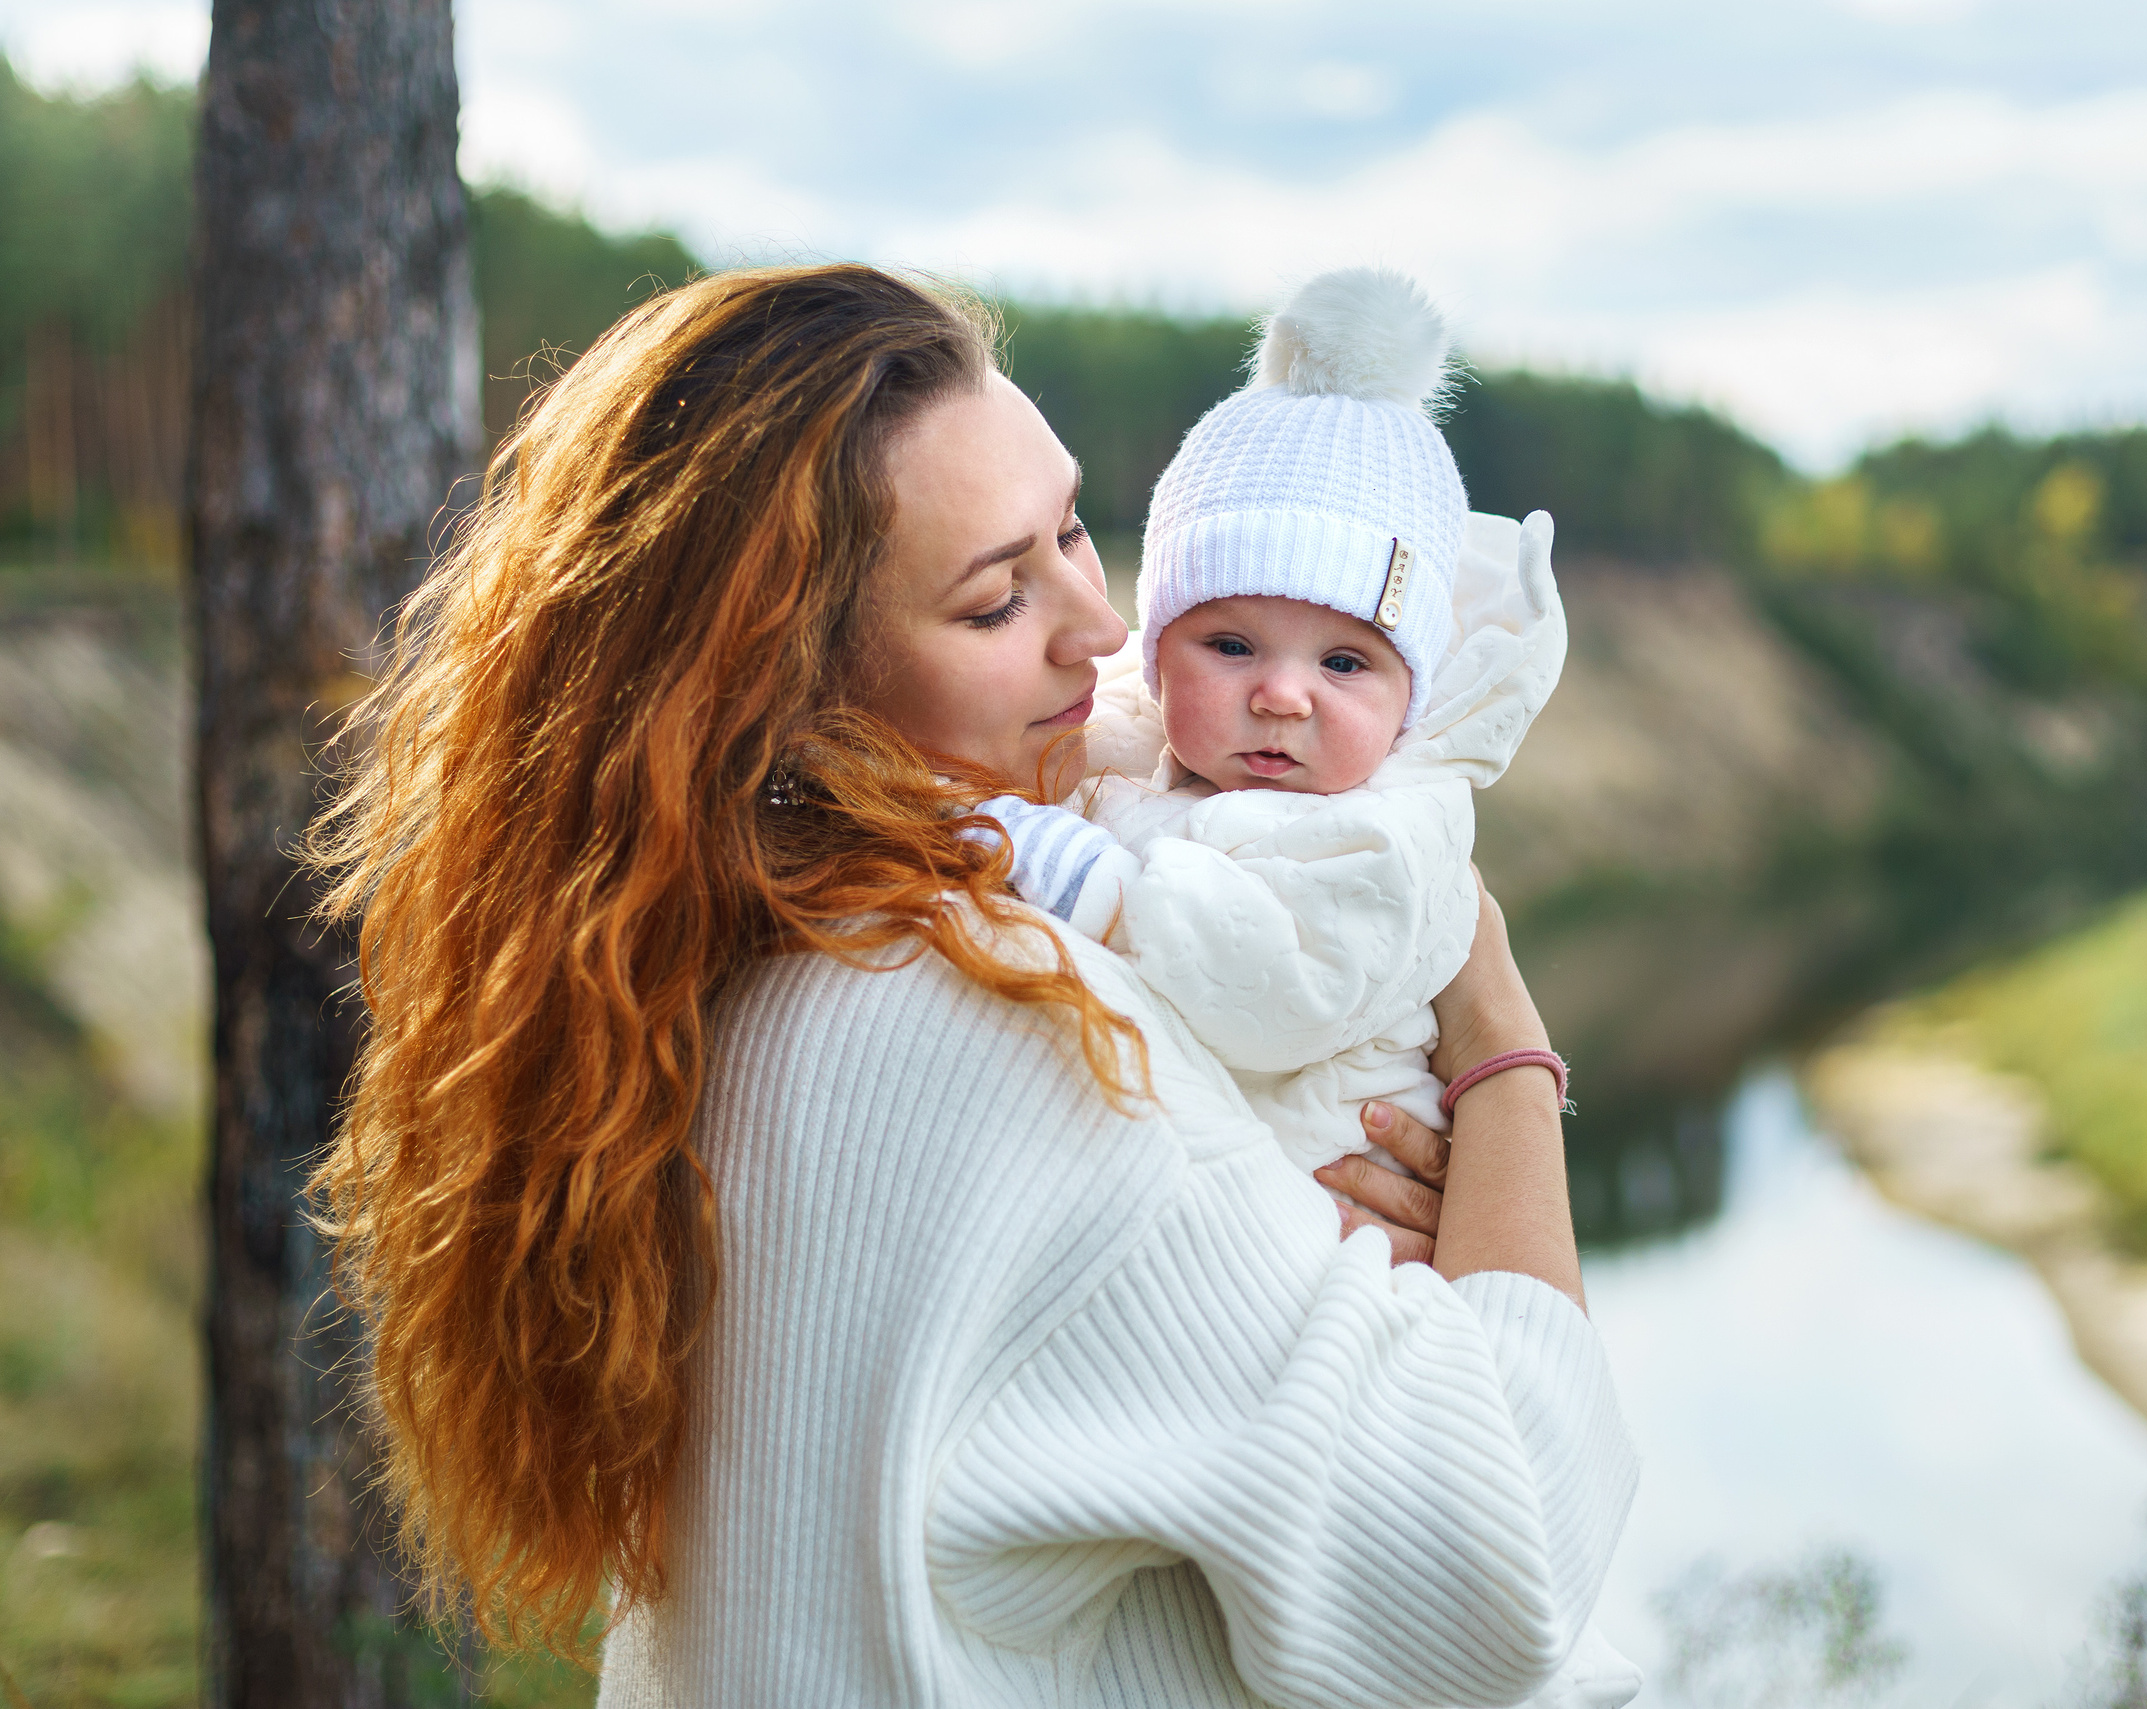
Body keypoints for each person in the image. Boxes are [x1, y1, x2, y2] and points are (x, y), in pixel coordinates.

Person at [310, 262, 1636, 1707]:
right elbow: (1504, 1583)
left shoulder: (703, 963)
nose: (1106, 628)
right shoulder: (1034, 1036)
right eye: (1001, 599)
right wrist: (1499, 1040)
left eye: (1074, 527)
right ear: (791, 688)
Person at [966, 267, 1636, 1709]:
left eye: (1346, 660)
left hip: (1375, 1243)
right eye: (1232, 644)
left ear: (1412, 689)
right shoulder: (1151, 747)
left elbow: (1264, 988)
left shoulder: (1386, 835)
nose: (1283, 696)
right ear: (1160, 645)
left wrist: (1068, 875)